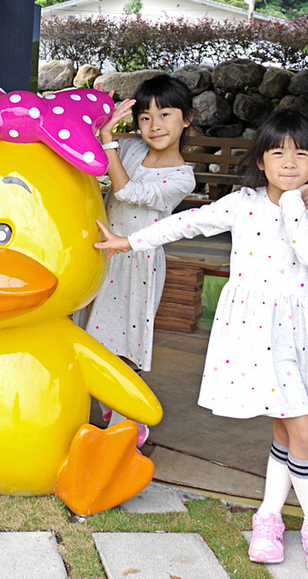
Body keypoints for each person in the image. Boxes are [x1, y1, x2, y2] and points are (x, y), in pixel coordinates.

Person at [94, 109, 308, 577]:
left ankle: (268, 517)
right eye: (278, 152)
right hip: (255, 332)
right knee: (301, 431)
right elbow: (185, 225)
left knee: (290, 431)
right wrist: (130, 243)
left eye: (301, 153)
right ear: (261, 159)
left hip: (300, 333)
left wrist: (293, 203)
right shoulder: (242, 203)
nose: (289, 162)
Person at [84, 74, 198, 445]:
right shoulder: (129, 148)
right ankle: (115, 410)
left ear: (187, 119)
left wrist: (109, 139)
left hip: (136, 264)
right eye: (145, 117)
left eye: (165, 114)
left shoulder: (182, 178)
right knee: (88, 336)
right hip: (102, 254)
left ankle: (127, 422)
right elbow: (93, 162)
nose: (155, 125)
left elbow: (127, 190)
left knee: (118, 343)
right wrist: (102, 122)